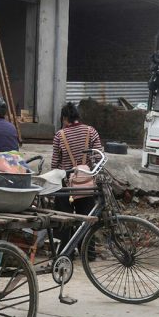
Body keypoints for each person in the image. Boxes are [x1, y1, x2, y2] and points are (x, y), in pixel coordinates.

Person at [51, 102, 102, 254]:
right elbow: (98, 157)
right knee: (86, 218)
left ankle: (66, 253)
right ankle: (88, 253)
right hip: (86, 184)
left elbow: (55, 164)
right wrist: (87, 171)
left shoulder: (60, 135)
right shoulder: (91, 131)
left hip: (66, 184)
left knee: (64, 219)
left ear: (64, 118)